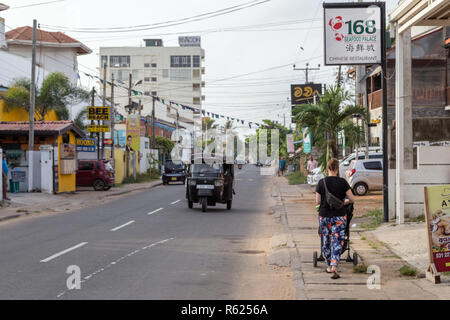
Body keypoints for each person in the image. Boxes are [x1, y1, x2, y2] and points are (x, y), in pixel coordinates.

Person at [315, 158, 354, 279]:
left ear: (327, 169)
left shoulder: (321, 182)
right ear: (337, 169)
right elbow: (351, 199)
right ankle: (334, 265)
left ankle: (328, 265)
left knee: (326, 240)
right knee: (337, 240)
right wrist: (344, 202)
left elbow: (317, 201)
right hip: (339, 216)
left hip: (325, 216)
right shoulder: (343, 182)